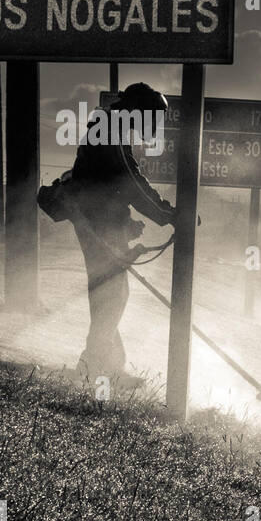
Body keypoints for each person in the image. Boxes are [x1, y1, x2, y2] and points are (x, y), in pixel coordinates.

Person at [70, 83, 176, 380]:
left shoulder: (108, 126)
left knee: (112, 295)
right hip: (97, 227)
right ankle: (90, 369)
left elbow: (107, 185)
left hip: (98, 224)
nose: (155, 125)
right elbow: (132, 183)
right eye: (152, 117)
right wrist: (168, 215)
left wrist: (124, 222)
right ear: (137, 111)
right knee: (112, 296)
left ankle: (109, 366)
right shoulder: (110, 132)